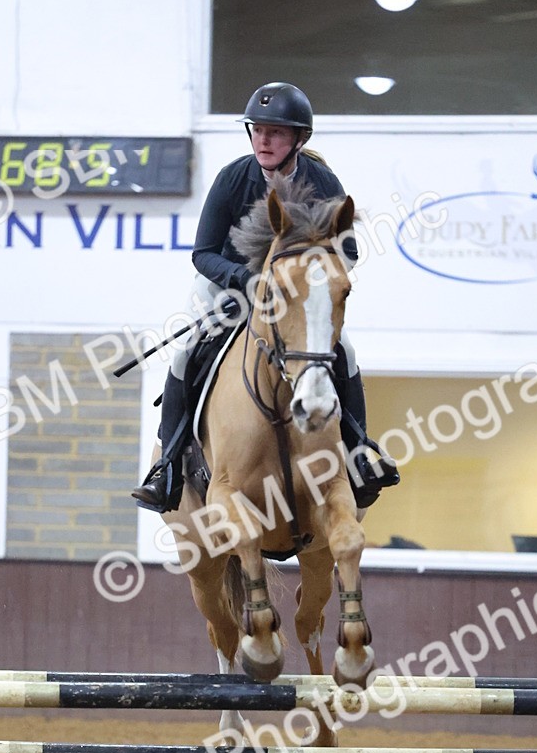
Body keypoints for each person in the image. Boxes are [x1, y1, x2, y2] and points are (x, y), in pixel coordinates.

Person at [131, 80, 399, 513]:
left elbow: (347, 250)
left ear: (299, 139)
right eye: (257, 129)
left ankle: (358, 454)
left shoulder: (322, 180)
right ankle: (167, 467)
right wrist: (246, 280)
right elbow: (203, 253)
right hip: (228, 289)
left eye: (275, 132)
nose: (263, 139)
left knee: (344, 351)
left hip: (292, 297)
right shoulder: (233, 177)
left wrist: (305, 280)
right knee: (185, 354)